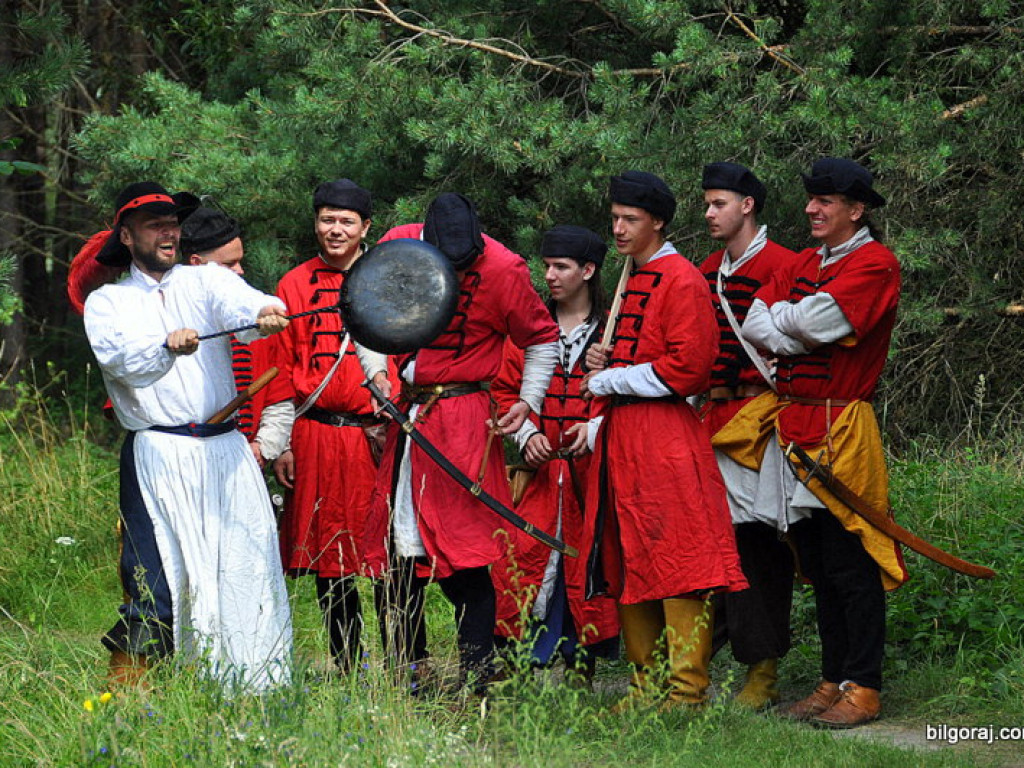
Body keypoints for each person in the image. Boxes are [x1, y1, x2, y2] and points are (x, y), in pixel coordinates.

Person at [719, 157, 907, 727]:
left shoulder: (875, 264)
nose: (812, 209)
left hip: (842, 428)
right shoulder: (803, 262)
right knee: (819, 564)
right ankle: (832, 680)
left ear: (857, 209)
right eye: (811, 200)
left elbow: (825, 320)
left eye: (826, 201)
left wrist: (789, 323)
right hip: (793, 427)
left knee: (851, 562)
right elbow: (754, 323)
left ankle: (865, 686)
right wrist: (792, 323)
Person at [83, 181, 292, 691]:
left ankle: (248, 690)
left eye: (172, 222)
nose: (169, 231)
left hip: (225, 452)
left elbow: (242, 304)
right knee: (151, 578)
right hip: (158, 453)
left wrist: (263, 312)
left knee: (244, 570)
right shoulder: (107, 302)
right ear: (127, 237)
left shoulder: (204, 282)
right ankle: (128, 701)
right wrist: (166, 346)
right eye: (155, 224)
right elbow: (123, 362)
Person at [360, 192, 559, 692]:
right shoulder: (398, 246)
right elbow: (361, 313)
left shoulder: (506, 270)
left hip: (465, 422)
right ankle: (410, 669)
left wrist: (527, 402)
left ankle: (478, 672)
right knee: (396, 549)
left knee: (464, 551)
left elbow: (541, 338)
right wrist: (375, 376)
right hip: (408, 415)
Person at [581, 171, 748, 710]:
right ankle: (644, 685)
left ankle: (687, 690)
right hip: (622, 436)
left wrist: (612, 378)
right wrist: (601, 363)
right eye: (615, 219)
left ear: (657, 221)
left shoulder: (679, 278)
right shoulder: (631, 276)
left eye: (630, 219)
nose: (620, 229)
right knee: (626, 556)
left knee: (678, 557)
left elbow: (689, 368)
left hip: (664, 434)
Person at [267, 179, 394, 673]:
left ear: (366, 227)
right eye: (326, 219)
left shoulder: (390, 277)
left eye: (345, 221)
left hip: (376, 435)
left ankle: (405, 660)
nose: (334, 230)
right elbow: (280, 367)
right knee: (329, 558)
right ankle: (349, 663)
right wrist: (283, 444)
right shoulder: (293, 285)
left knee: (388, 553)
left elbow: (405, 355)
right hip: (316, 433)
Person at [490, 225, 620, 685]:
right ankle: (522, 656)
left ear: (587, 271)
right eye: (546, 266)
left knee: (588, 562)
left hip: (592, 472)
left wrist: (595, 425)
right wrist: (526, 435)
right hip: (539, 473)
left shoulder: (612, 331)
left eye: (561, 267)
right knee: (521, 559)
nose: (550, 275)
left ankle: (582, 658)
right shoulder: (529, 329)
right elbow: (504, 390)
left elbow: (626, 395)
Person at [698, 162, 798, 709]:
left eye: (719, 203)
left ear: (748, 206)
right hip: (710, 424)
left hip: (763, 422)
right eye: (708, 203)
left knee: (759, 548)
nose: (710, 213)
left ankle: (762, 670)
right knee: (713, 547)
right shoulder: (706, 269)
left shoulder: (788, 265)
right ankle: (694, 664)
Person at [179, 204, 290, 467]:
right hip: (183, 459)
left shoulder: (258, 323)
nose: (240, 270)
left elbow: (279, 401)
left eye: (240, 261)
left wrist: (263, 447)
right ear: (198, 265)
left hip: (245, 459)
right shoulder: (168, 322)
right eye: (229, 264)